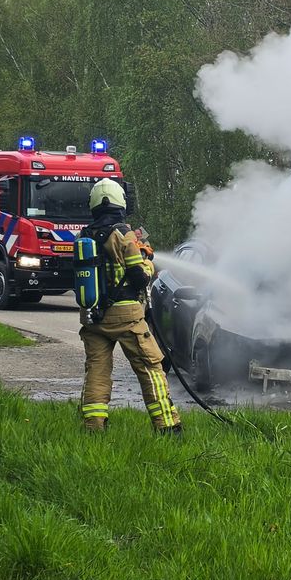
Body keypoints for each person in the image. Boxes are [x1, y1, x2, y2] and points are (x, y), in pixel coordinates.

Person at [77, 179, 181, 435]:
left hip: (94, 318)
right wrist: (146, 258)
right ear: (120, 202)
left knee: (97, 373)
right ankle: (167, 427)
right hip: (126, 318)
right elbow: (140, 278)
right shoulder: (123, 234)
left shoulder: (84, 235)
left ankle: (94, 428)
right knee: (151, 368)